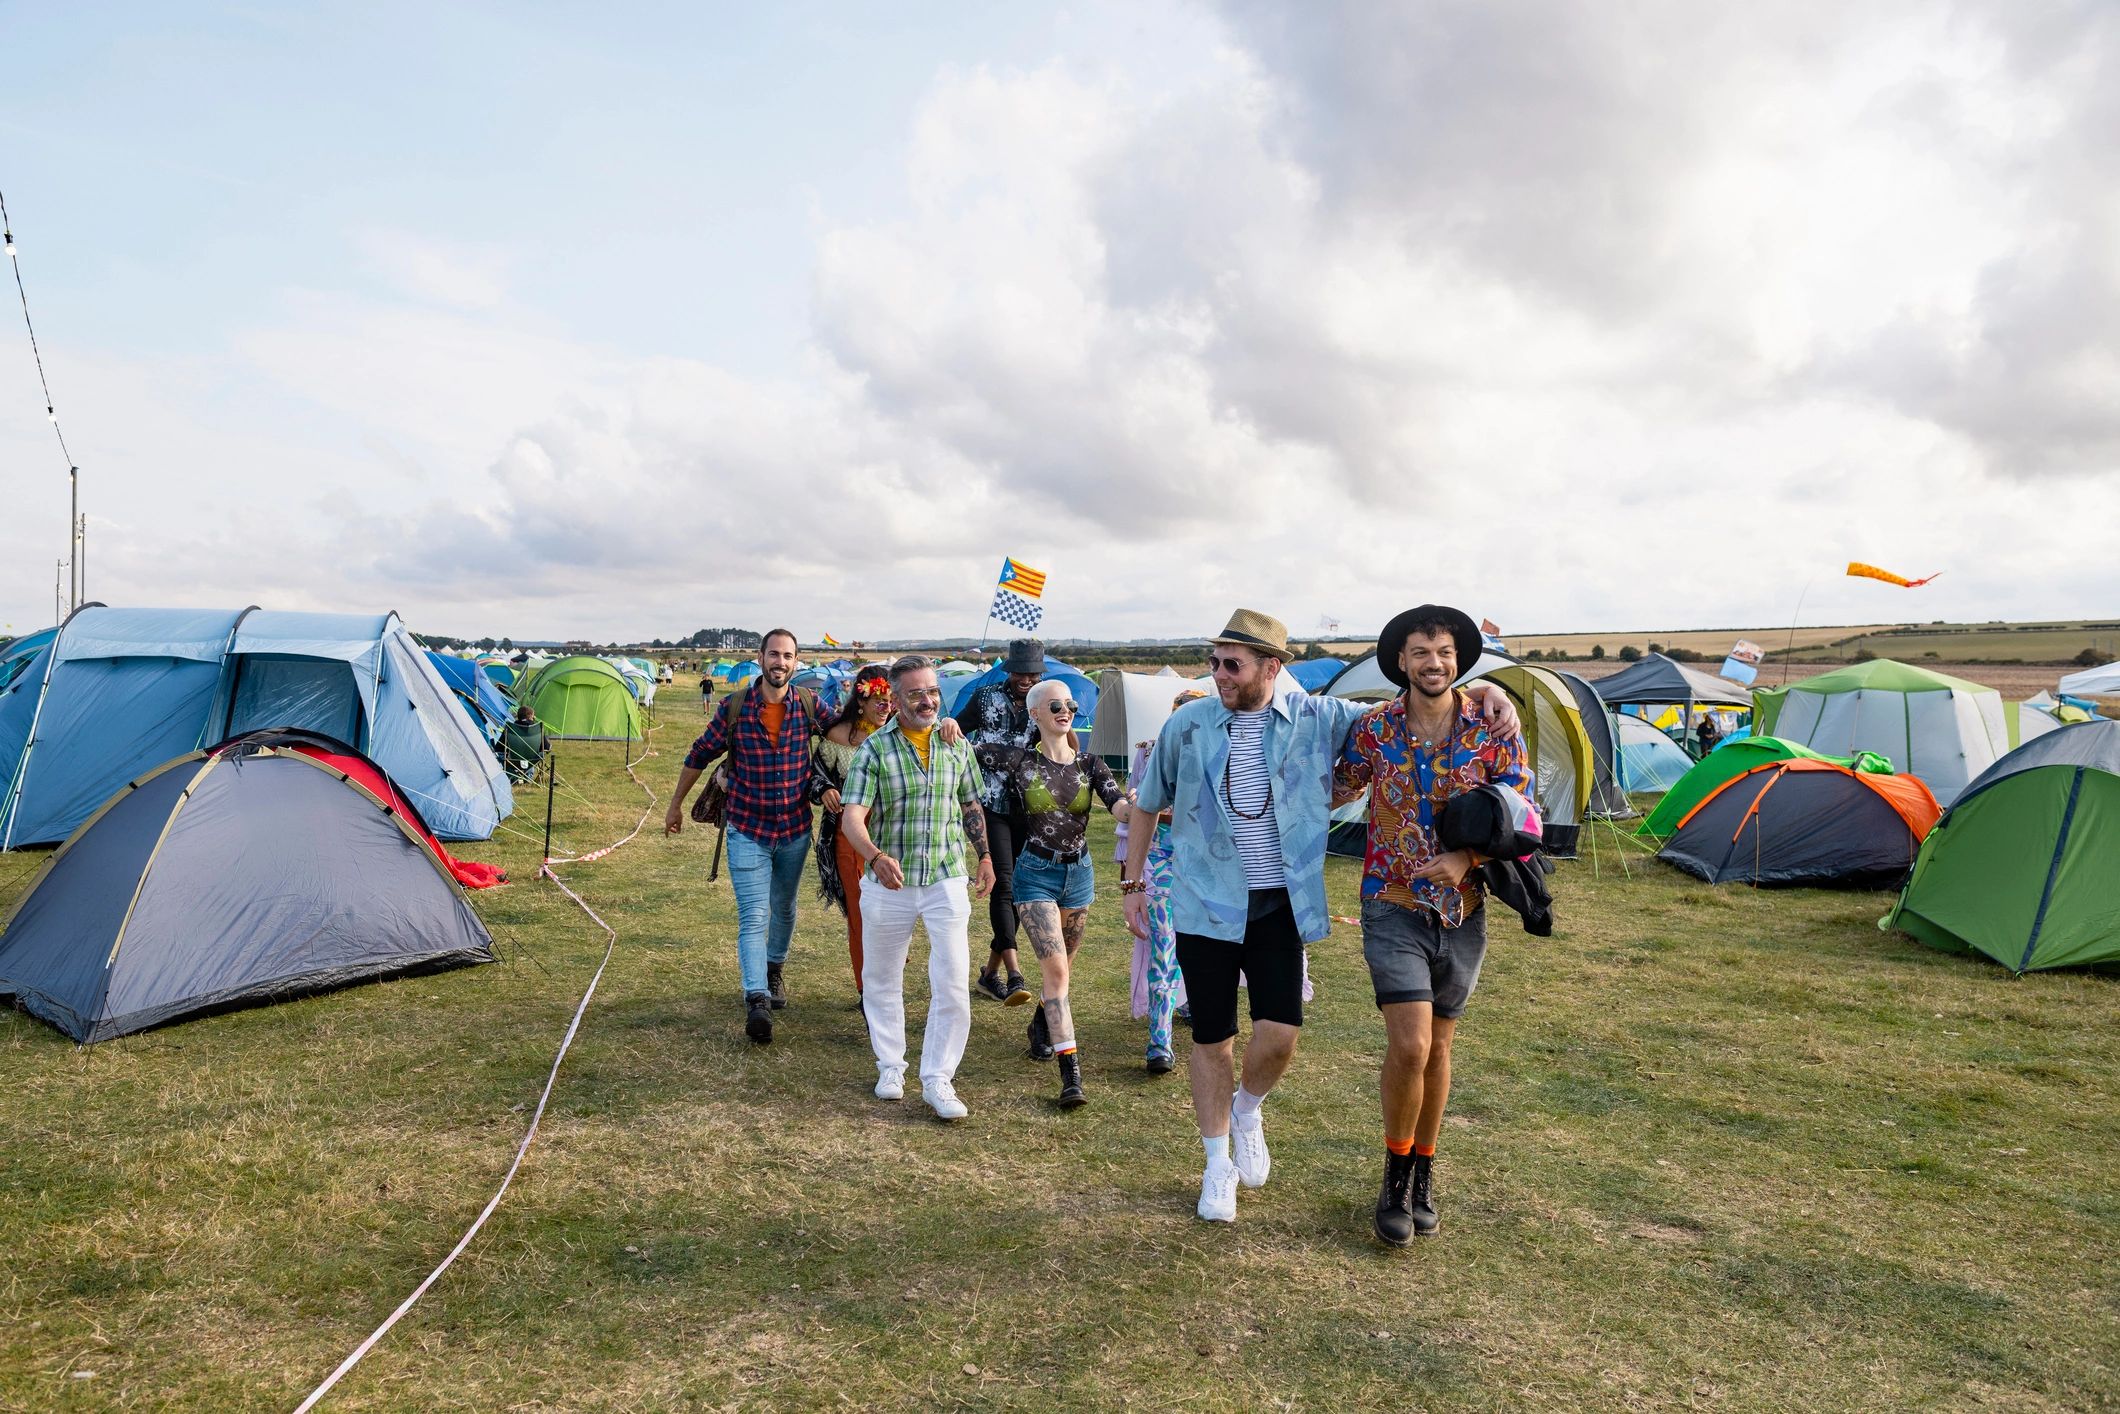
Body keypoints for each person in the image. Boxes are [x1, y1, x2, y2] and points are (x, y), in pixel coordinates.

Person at [1124, 609, 1519, 1225]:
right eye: (1214, 663)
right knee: (1211, 1039)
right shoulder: (1190, 724)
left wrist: (1488, 691)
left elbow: (1415, 710)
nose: (1218, 675)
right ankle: (1216, 1164)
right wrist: (1132, 882)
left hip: (1281, 903)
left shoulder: (1317, 718)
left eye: (1232, 664)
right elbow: (1148, 802)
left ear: (1271, 668)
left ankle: (1248, 1109)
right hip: (1206, 904)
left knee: (1279, 1039)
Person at [1334, 606, 1533, 1246]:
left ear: (1458, 660)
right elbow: (1331, 788)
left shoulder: (1493, 725)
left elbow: (1526, 812)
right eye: (1421, 651)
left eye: (1444, 652)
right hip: (1391, 905)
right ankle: (1393, 1177)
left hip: (1465, 911)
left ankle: (1424, 1173)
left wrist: (1468, 857)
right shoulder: (1373, 730)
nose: (1433, 662)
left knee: (1440, 1049)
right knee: (1412, 1046)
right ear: (1401, 661)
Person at [840, 655, 996, 1121]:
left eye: (932, 692)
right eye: (915, 694)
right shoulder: (874, 750)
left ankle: (938, 1078)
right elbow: (851, 817)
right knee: (881, 978)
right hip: (889, 881)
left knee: (951, 981)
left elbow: (970, 802)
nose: (927, 700)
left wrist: (984, 855)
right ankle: (891, 1066)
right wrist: (875, 856)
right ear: (893, 697)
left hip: (947, 876)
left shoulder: (955, 743)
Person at [975, 678, 1138, 1107]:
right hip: (1035, 876)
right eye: (1054, 706)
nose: (1064, 711)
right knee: (1058, 973)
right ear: (1035, 715)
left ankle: (1040, 1025)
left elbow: (1117, 804)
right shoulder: (1019, 762)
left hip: (1079, 876)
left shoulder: (1091, 764)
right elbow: (967, 751)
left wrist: (1134, 804)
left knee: (1061, 971)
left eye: (1068, 704)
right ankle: (1071, 1077)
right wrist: (951, 728)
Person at [955, 639, 1042, 1006]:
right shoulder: (986, 695)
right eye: (1019, 671)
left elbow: (1060, 745)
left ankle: (989, 974)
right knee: (1004, 882)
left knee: (1019, 888)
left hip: (1029, 807)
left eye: (1031, 672)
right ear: (1009, 669)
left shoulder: (1045, 701)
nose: (1025, 678)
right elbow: (957, 732)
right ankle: (1014, 969)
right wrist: (975, 749)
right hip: (989, 802)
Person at [1123, 689, 1205, 1073]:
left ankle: (1200, 1011)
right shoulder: (1148, 751)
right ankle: (1160, 1042)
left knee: (1207, 948)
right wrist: (1132, 881)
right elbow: (1137, 802)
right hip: (1159, 861)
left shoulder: (1220, 751)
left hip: (1206, 864)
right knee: (1163, 949)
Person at [810, 666, 894, 999]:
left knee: (890, 916)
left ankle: (886, 981)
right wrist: (825, 788)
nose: (886, 707)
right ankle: (867, 991)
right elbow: (813, 774)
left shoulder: (902, 736)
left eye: (890, 700)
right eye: (879, 700)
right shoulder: (837, 737)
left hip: (894, 837)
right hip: (848, 836)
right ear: (861, 701)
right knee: (860, 914)